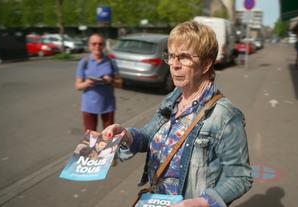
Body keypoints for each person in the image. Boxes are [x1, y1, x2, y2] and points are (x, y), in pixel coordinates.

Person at [102, 21, 252, 207]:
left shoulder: (225, 116)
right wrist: (126, 135)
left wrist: (202, 203)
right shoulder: (172, 100)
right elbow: (149, 135)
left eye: (184, 57)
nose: (174, 64)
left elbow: (240, 177)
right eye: (171, 56)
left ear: (205, 64)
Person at [75, 33, 120, 132]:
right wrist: (87, 83)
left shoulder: (111, 61)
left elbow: (120, 83)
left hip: (108, 105)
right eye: (94, 44)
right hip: (89, 106)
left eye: (100, 44)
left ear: (103, 45)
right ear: (89, 45)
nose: (97, 46)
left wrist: (111, 80)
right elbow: (78, 86)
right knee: (90, 138)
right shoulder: (84, 62)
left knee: (109, 137)